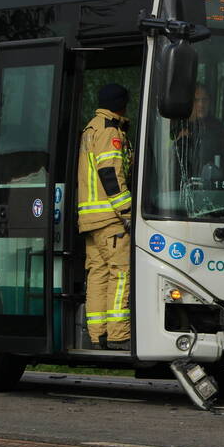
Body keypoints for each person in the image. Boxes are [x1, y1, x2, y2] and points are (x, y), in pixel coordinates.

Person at [77, 83, 133, 351]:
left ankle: (97, 333)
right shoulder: (110, 130)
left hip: (91, 219)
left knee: (98, 273)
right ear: (121, 105)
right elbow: (110, 174)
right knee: (120, 273)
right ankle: (118, 335)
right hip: (110, 219)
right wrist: (127, 211)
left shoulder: (91, 127)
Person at [171, 84, 224, 181]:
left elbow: (221, 162)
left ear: (210, 102)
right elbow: (171, 160)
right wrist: (179, 141)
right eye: (196, 100)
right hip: (182, 184)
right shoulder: (180, 125)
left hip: (209, 183)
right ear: (190, 103)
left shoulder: (218, 128)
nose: (201, 104)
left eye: (204, 100)